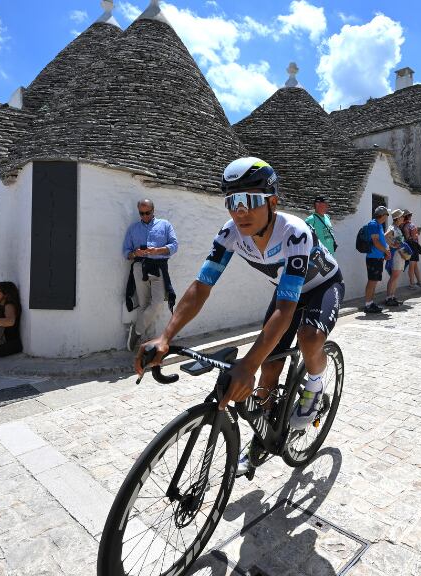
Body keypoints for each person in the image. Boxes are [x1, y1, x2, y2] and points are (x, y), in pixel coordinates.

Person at [135, 157, 343, 445]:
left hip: (323, 285)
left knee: (309, 338)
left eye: (250, 200)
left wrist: (247, 365)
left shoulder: (294, 232)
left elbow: (285, 310)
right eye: (233, 202)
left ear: (272, 202)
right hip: (288, 290)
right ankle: (264, 436)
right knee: (269, 367)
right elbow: (201, 286)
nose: (240, 211)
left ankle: (315, 386)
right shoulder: (230, 233)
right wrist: (166, 336)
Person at [123, 199, 178, 351]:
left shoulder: (165, 225)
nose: (145, 216)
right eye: (141, 213)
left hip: (158, 267)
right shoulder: (133, 229)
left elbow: (174, 245)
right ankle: (148, 342)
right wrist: (135, 253)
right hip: (139, 267)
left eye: (147, 213)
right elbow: (126, 252)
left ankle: (136, 331)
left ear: (153, 211)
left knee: (158, 302)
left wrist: (158, 250)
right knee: (144, 304)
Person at [363, 206, 391, 313]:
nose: (387, 217)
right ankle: (368, 305)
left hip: (378, 257)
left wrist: (384, 253)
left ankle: (371, 303)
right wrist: (386, 251)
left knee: (374, 281)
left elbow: (380, 241)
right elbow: (376, 242)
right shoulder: (373, 224)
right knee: (372, 281)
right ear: (382, 215)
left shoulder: (379, 225)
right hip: (373, 257)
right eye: (386, 215)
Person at [384, 209, 406, 306]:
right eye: (402, 216)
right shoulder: (393, 228)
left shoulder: (397, 228)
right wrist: (392, 245)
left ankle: (392, 296)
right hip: (396, 255)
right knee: (394, 277)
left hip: (399, 255)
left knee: (395, 277)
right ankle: (388, 298)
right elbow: (385, 236)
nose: (403, 218)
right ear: (397, 218)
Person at [401, 210, 421, 288]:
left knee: (414, 265)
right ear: (407, 216)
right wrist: (417, 233)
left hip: (406, 246)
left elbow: (406, 237)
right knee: (412, 265)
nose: (411, 216)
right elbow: (413, 237)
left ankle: (418, 282)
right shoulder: (411, 225)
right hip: (413, 246)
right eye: (410, 215)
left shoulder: (402, 225)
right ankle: (412, 284)